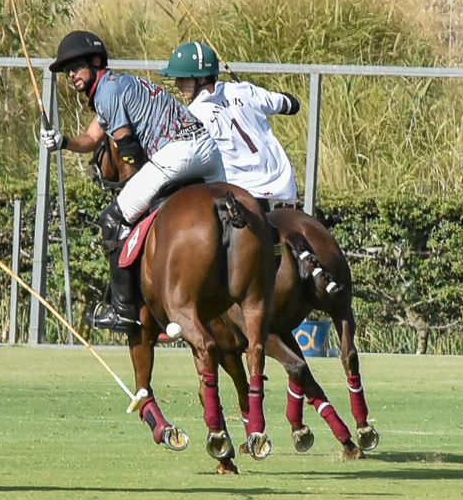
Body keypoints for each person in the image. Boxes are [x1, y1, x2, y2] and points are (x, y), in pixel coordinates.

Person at [41, 30, 226, 333]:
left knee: (113, 218)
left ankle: (123, 311)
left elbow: (127, 149)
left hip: (176, 153)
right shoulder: (120, 85)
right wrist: (62, 141)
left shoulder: (106, 93)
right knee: (229, 215)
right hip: (208, 150)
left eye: (76, 66)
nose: (71, 74)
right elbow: (90, 138)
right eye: (67, 70)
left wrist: (132, 185)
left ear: (96, 61)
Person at [159, 40, 299, 206]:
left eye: (183, 79)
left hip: (236, 193)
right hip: (279, 186)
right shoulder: (244, 90)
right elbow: (291, 105)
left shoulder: (194, 114)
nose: (177, 84)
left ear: (202, 78)